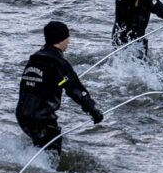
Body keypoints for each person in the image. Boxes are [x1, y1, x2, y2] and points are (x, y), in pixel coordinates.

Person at [16, 21, 104, 154]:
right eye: (67, 37)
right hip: (42, 119)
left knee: (38, 148)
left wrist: (62, 82)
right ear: (60, 39)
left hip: (23, 115)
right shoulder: (58, 63)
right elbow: (74, 89)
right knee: (51, 156)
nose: (68, 41)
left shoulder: (35, 58)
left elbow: (55, 83)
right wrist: (93, 110)